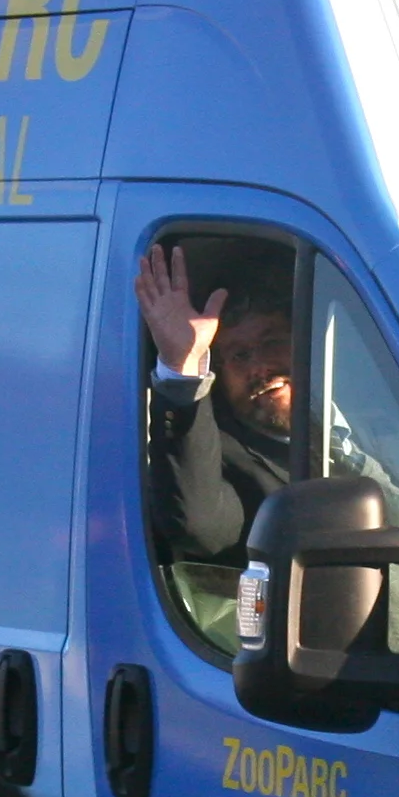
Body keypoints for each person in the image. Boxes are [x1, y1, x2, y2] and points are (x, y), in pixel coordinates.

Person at [135, 239, 295, 562]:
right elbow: (199, 526)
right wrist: (181, 363)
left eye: (271, 343)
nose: (259, 368)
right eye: (239, 355)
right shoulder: (221, 456)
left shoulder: (377, 421)